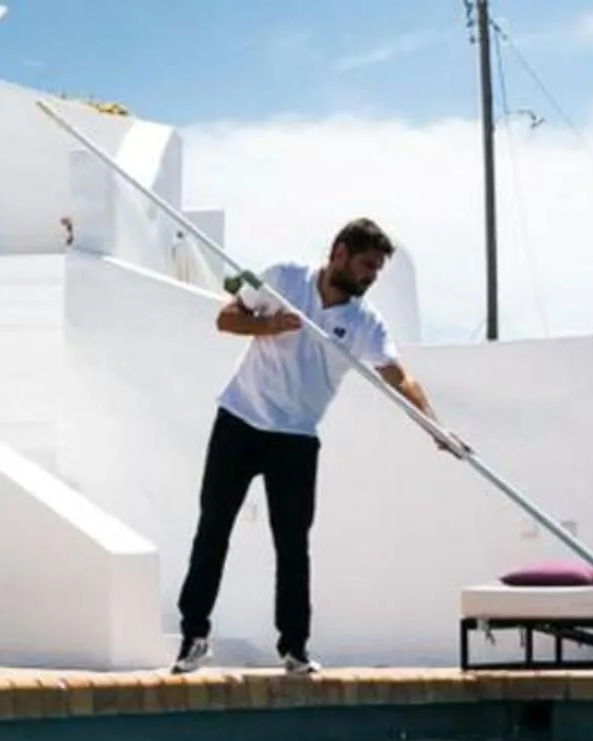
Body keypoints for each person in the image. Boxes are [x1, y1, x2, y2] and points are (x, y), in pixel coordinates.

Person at [172, 218, 463, 677]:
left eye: (378, 271)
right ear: (340, 253)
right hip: (239, 420)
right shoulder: (285, 279)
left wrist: (435, 427)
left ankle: (294, 648)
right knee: (213, 528)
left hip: (297, 438)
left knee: (292, 545)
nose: (371, 277)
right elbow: (225, 318)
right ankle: (193, 636)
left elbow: (399, 376)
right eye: (367, 265)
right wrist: (269, 325)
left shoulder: (365, 322)